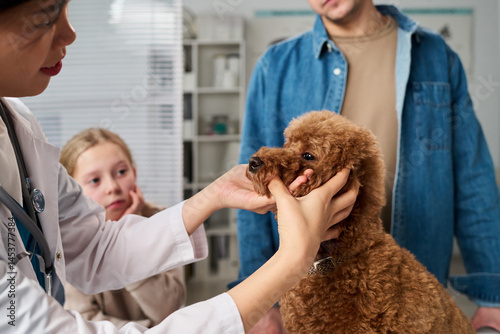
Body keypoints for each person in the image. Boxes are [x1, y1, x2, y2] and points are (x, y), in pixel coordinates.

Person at [0, 0, 358, 333]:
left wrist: (211, 197)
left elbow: (95, 247)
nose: (70, 33)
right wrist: (292, 260)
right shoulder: (275, 65)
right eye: (45, 18)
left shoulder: (18, 126)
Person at [236, 0, 500, 332]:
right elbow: (256, 188)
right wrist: (259, 302)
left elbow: (472, 178)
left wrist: (492, 296)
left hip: (413, 294)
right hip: (315, 290)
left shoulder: (435, 57)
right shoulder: (276, 67)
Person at [59, 128, 186, 328]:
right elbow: (83, 322)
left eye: (121, 172)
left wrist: (130, 238)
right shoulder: (68, 240)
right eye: (95, 180)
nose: (112, 187)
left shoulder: (161, 220)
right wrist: (153, 328)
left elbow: (168, 307)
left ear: (134, 174)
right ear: (72, 190)